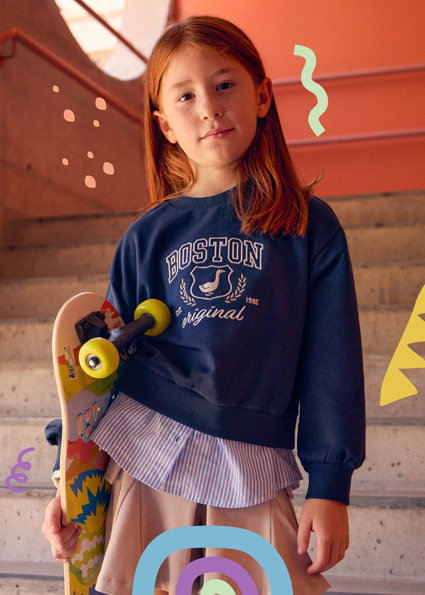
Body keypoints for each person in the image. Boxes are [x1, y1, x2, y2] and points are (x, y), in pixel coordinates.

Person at [42, 15, 366, 595]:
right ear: (165, 125)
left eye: (224, 85)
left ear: (262, 95)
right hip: (142, 453)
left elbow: (332, 363)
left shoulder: (308, 226)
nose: (209, 108)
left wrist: (330, 484)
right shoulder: (146, 237)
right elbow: (96, 370)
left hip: (249, 463)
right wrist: (69, 483)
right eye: (186, 96)